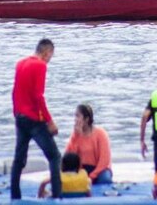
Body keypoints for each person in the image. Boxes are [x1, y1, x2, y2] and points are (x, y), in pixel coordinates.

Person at [10, 39, 61, 200]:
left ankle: (15, 196)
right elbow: (38, 96)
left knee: (19, 159)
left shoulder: (20, 64)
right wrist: (49, 121)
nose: (49, 59)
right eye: (50, 55)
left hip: (20, 116)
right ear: (47, 52)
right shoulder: (40, 65)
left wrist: (17, 113)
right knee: (54, 156)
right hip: (33, 120)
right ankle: (57, 196)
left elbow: (14, 92)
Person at [65, 104, 113, 185]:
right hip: (82, 169)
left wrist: (91, 176)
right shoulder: (75, 135)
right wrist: (76, 137)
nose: (75, 119)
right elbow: (69, 159)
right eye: (75, 116)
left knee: (105, 179)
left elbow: (104, 161)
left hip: (100, 169)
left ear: (86, 119)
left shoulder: (100, 134)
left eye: (78, 116)